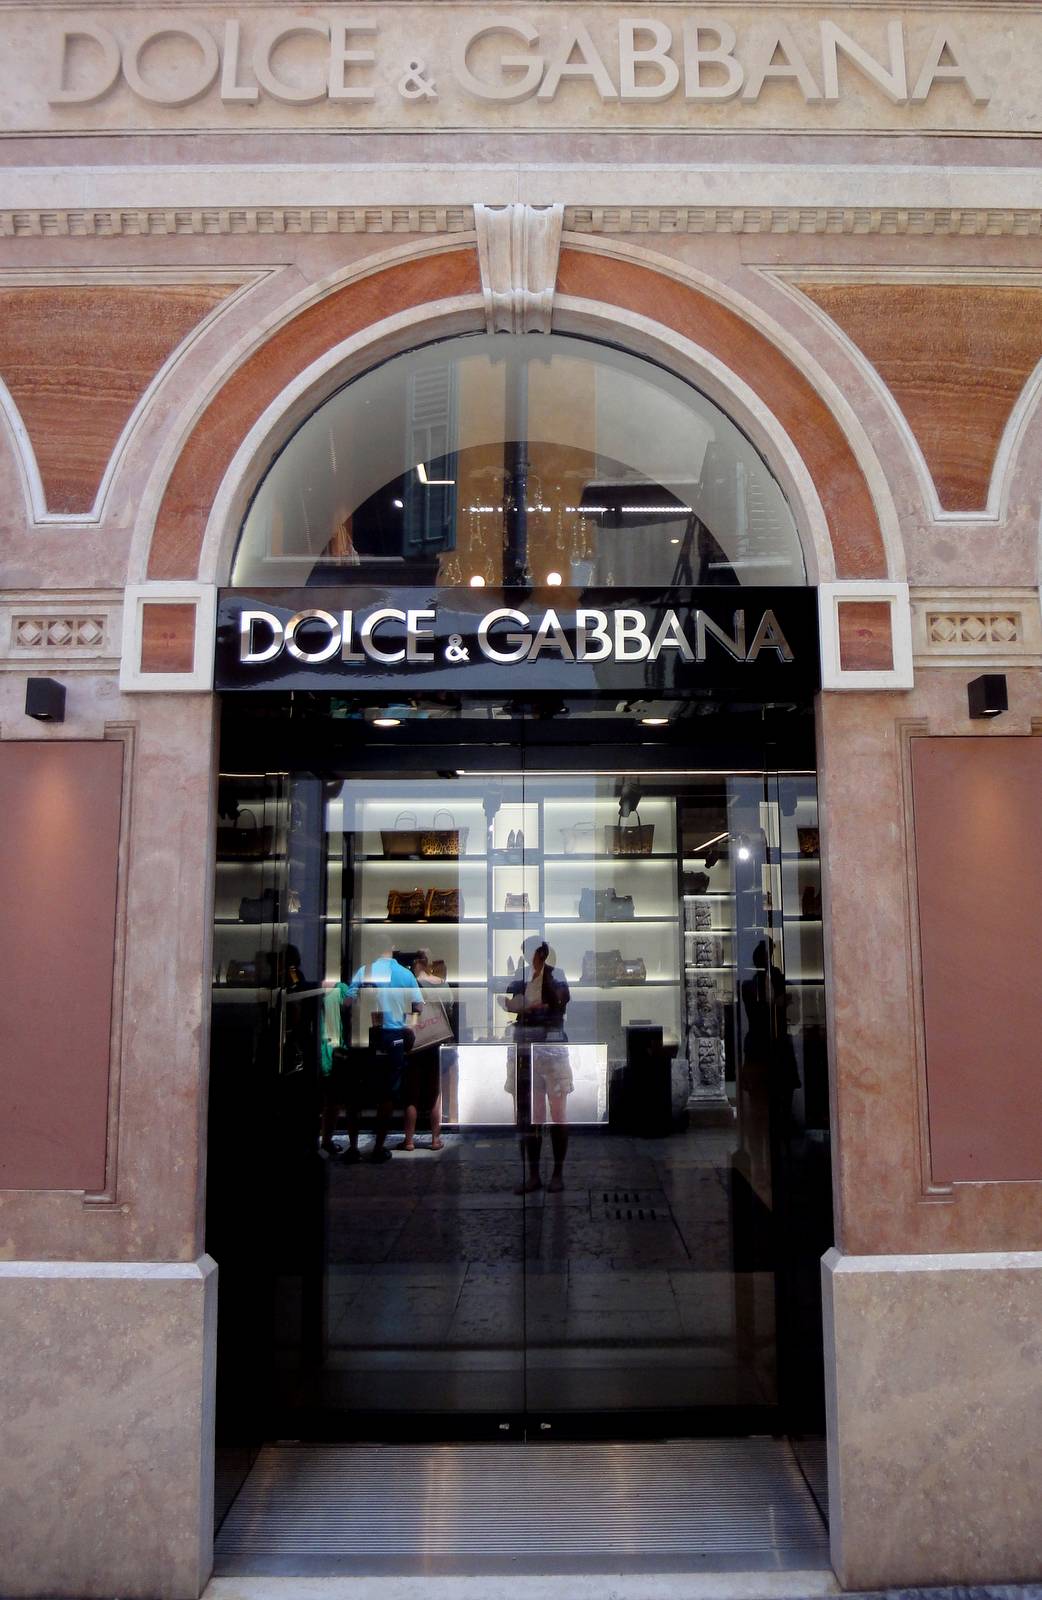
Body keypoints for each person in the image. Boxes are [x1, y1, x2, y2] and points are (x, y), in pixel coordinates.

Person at [320, 948, 424, 1164]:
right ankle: (378, 1148)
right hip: (393, 1037)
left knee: (355, 1096)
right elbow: (418, 1005)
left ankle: (354, 1147)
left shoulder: (364, 971)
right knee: (387, 1095)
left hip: (364, 1039)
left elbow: (347, 1003)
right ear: (392, 951)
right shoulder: (406, 974)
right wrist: (410, 1026)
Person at [502, 937, 572, 1194]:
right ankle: (533, 1174)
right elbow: (515, 1004)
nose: (530, 958)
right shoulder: (522, 976)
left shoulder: (556, 974)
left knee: (558, 1114)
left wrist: (544, 981)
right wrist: (522, 1007)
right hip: (527, 1047)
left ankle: (557, 1173)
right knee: (531, 1116)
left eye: (533, 953)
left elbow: (560, 1002)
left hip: (551, 1049)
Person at [400, 949, 449, 1152]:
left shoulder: (411, 982)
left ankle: (409, 1141)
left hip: (416, 1040)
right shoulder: (441, 982)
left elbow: (405, 1009)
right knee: (435, 1092)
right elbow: (450, 1005)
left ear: (416, 963)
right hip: (435, 1039)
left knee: (412, 1093)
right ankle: (435, 1139)